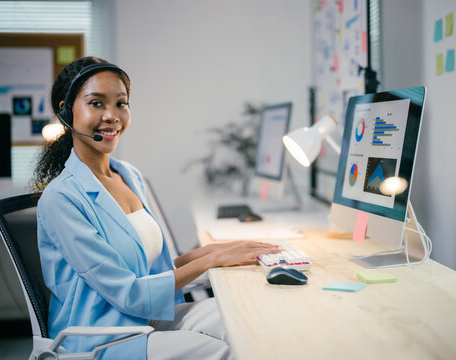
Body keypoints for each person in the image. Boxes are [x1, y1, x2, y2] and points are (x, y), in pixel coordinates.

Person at [34, 56, 280, 360]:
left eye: (120, 103)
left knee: (245, 319)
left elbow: (153, 268)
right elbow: (129, 293)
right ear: (66, 112)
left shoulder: (128, 175)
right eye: (96, 103)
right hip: (101, 337)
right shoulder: (62, 198)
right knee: (224, 351)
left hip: (144, 318)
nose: (112, 115)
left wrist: (227, 251)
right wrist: (212, 259)